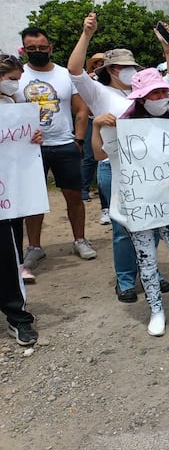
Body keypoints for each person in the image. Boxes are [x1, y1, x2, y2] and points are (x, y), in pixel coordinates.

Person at [92, 69, 169, 336]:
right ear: (141, 98)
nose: (161, 97)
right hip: (140, 207)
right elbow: (100, 153)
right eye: (154, 93)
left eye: (163, 92)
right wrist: (96, 126)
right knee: (146, 261)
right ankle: (156, 311)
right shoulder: (122, 123)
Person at [67, 12, 169, 302]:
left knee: (152, 223)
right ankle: (126, 279)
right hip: (113, 168)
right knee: (123, 228)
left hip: (147, 169)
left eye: (132, 66)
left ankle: (151, 271)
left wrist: (168, 48)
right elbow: (75, 69)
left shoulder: (144, 91)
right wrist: (87, 33)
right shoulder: (98, 92)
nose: (128, 70)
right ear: (110, 69)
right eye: (123, 67)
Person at [15, 26, 96, 274]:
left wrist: (79, 141)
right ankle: (35, 247)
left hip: (64, 144)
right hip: (29, 149)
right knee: (34, 200)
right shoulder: (16, 77)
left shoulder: (64, 75)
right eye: (32, 48)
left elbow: (81, 109)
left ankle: (79, 240)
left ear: (50, 48)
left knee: (74, 196)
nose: (38, 51)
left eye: (42, 47)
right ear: (24, 50)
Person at [0, 53, 41, 344]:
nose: (16, 84)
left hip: (5, 199)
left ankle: (17, 317)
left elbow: (18, 145)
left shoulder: (13, 108)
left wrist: (33, 138)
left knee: (6, 256)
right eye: (12, 80)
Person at [80, 52, 105, 204]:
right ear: (94, 65)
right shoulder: (89, 80)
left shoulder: (110, 80)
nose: (100, 65)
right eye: (98, 63)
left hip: (110, 121)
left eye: (103, 63)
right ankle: (84, 188)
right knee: (90, 156)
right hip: (92, 120)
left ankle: (104, 189)